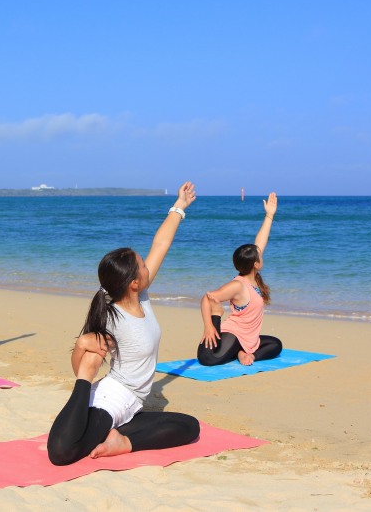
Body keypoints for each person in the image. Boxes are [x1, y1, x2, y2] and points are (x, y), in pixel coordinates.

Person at [47, 183, 201, 466]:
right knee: (62, 452)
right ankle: (122, 442)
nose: (147, 268)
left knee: (190, 426)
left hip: (131, 405)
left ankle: (122, 438)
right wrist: (82, 347)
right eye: (143, 266)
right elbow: (78, 365)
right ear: (132, 282)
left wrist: (179, 207)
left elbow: (160, 244)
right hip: (112, 400)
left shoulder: (140, 296)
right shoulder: (112, 315)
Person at [197, 192, 282, 367]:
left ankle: (244, 353)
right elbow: (207, 297)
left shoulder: (254, 277)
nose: (261, 253)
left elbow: (260, 242)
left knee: (275, 345)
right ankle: (236, 344)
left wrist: (269, 215)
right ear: (256, 264)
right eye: (259, 255)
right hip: (234, 333)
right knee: (208, 359)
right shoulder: (238, 285)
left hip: (249, 337)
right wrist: (209, 326)